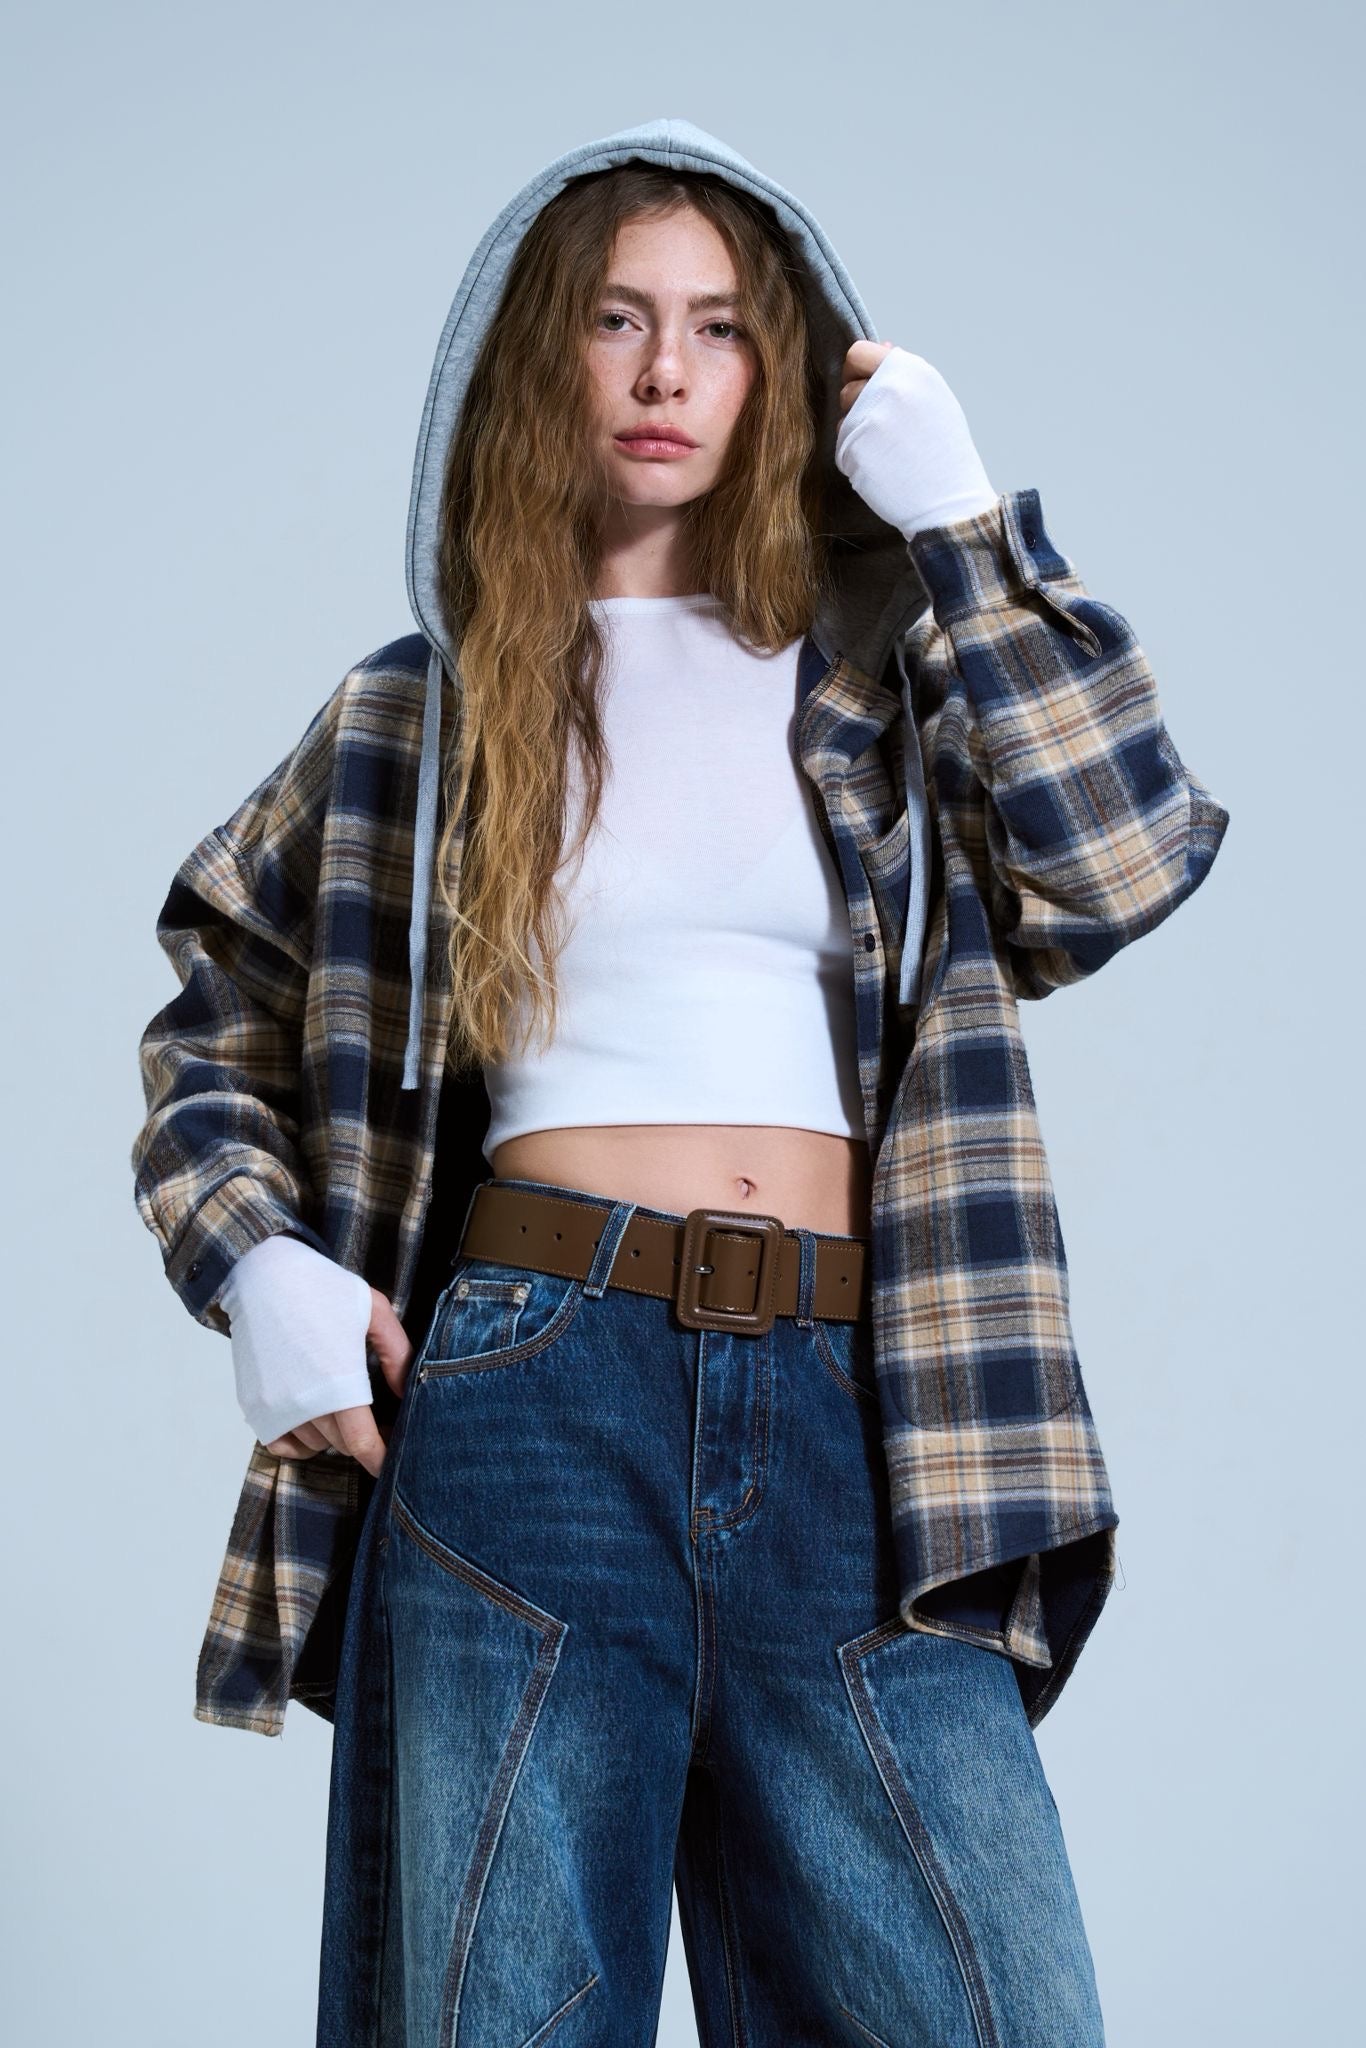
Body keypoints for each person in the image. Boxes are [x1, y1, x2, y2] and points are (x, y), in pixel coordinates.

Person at [131, 118, 1229, 2045]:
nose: (663, 372)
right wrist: (253, 1260)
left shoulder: (883, 685)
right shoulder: (423, 709)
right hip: (531, 1394)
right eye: (618, 318)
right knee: (504, 2012)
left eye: (718, 327)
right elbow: (214, 1014)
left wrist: (969, 532)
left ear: (778, 371)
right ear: (535, 354)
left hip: (861, 1406)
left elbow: (1118, 863)